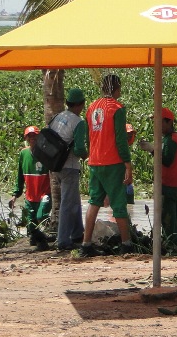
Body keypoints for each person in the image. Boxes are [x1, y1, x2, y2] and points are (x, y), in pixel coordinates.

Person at [81, 74, 134, 256]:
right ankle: (126, 244)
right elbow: (121, 139)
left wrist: (91, 155)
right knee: (119, 204)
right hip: (113, 162)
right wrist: (127, 163)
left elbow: (88, 136)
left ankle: (86, 244)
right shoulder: (117, 108)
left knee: (94, 202)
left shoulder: (91, 107)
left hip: (95, 162)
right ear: (117, 88)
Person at [138, 108, 177, 251]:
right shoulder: (169, 138)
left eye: (158, 122)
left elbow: (166, 160)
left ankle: (173, 249)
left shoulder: (172, 140)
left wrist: (152, 149)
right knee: (174, 221)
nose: (156, 126)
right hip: (172, 185)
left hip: (169, 186)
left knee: (168, 221)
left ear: (169, 122)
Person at [50, 88, 89, 251]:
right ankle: (63, 240)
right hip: (69, 166)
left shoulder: (58, 117)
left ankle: (77, 233)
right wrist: (89, 156)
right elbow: (79, 149)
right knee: (68, 203)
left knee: (74, 200)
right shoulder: (78, 122)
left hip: (54, 165)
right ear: (80, 105)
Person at [8, 126, 51, 251]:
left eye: (35, 136)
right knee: (30, 222)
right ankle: (38, 239)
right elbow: (20, 176)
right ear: (26, 138)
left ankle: (44, 237)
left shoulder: (46, 152)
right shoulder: (23, 153)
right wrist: (15, 195)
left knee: (41, 215)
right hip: (30, 196)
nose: (32, 138)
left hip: (44, 193)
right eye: (30, 136)